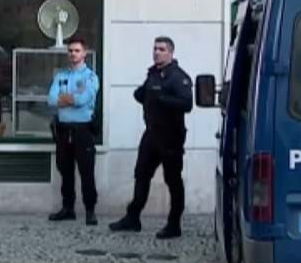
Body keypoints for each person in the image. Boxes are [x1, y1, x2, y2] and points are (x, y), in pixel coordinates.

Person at [110, 36, 193, 239]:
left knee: (172, 180)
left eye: (162, 49)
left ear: (171, 53)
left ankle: (174, 225)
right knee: (141, 174)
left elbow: (187, 104)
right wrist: (143, 95)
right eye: (155, 48)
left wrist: (162, 99)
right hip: (151, 134)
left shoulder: (178, 77)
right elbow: (144, 93)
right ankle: (133, 218)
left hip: (171, 136)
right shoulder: (153, 74)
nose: (157, 52)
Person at [47, 38, 100, 225]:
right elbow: (52, 100)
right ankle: (68, 208)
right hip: (63, 130)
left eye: (77, 50)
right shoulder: (61, 75)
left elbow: (83, 99)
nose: (73, 54)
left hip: (83, 131)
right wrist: (70, 99)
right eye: (70, 50)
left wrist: (68, 99)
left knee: (86, 172)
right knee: (65, 171)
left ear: (84, 53)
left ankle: (90, 210)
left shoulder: (91, 77)